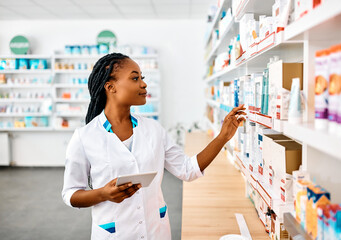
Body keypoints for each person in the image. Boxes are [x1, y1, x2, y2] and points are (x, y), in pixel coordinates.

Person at [62, 53, 246, 240]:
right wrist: (103, 194)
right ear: (111, 87)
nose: (143, 84)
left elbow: (187, 170)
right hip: (114, 234)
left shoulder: (153, 129)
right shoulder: (85, 137)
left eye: (142, 78)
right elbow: (70, 194)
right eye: (135, 78)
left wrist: (224, 136)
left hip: (155, 230)